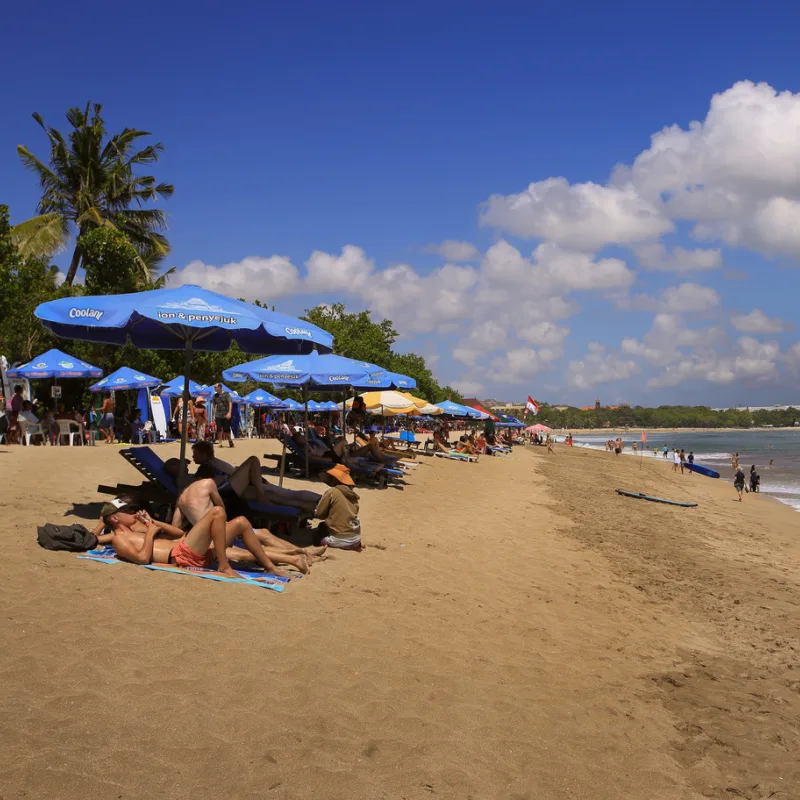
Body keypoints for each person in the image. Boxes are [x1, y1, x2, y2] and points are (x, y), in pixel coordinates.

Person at [105, 499, 296, 578]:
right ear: (114, 518)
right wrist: (150, 533)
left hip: (187, 545)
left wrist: (153, 523)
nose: (133, 512)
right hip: (181, 555)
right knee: (217, 511)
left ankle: (270, 567)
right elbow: (142, 559)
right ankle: (224, 566)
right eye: (127, 511)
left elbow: (179, 534)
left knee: (242, 522)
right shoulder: (119, 539)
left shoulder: (137, 528)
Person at [166, 477, 323, 570]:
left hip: (209, 537)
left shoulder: (180, 500)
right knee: (257, 541)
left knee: (263, 533)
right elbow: (221, 508)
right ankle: (303, 553)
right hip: (220, 532)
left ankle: (304, 553)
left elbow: (175, 529)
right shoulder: (208, 483)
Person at [189, 440, 322, 514]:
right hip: (233, 490)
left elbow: (199, 485)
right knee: (280, 493)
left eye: (195, 453)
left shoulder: (208, 466)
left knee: (275, 494)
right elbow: (199, 487)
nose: (193, 457)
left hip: (234, 489)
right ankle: (316, 500)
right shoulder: (211, 465)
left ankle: (307, 503)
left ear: (203, 454)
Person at [313, 464, 362, 551]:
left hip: (340, 539)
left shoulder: (332, 492)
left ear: (335, 478)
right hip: (356, 538)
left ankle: (329, 541)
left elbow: (319, 514)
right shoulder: (353, 496)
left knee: (318, 535)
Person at [212, 383, 233, 448]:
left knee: (226, 429)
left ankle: (230, 440)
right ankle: (220, 442)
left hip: (226, 414)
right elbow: (214, 406)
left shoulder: (226, 394)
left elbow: (230, 403)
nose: (214, 388)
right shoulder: (214, 396)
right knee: (218, 429)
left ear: (220, 387)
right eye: (214, 387)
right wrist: (213, 416)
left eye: (215, 387)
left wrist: (229, 412)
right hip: (218, 415)